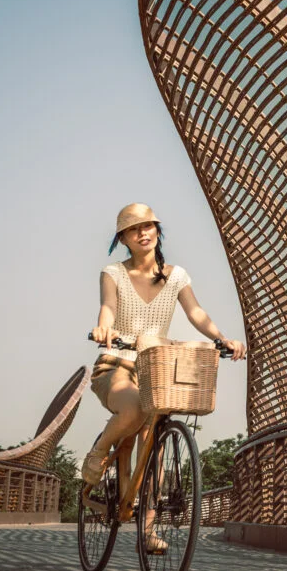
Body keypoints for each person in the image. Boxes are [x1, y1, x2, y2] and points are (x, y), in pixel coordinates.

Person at [83, 203, 246, 493]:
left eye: (146, 226)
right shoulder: (113, 273)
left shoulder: (177, 276)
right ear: (122, 239)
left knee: (152, 441)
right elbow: (108, 306)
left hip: (155, 370)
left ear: (157, 229)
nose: (141, 233)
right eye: (131, 230)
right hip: (117, 364)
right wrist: (103, 328)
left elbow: (196, 313)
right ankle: (99, 451)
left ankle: (148, 523)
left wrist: (222, 338)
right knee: (133, 410)